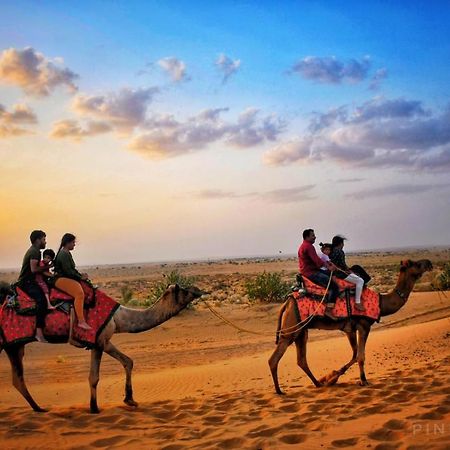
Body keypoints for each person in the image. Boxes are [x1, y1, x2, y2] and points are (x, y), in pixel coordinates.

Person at [17, 230, 52, 342]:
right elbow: (34, 269)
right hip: (27, 283)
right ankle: (39, 332)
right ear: (37, 240)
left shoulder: (35, 251)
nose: (45, 242)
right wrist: (48, 267)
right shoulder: (35, 252)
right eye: (43, 239)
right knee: (41, 300)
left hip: (30, 281)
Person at [298, 229, 339, 320]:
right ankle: (328, 309)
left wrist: (329, 265)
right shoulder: (308, 247)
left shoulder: (304, 246)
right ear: (307, 237)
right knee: (334, 286)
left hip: (309, 270)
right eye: (313, 235)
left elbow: (317, 260)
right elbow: (316, 260)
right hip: (311, 272)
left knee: (329, 275)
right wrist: (328, 267)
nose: (315, 237)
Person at [53, 233, 92, 330]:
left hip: (66, 277)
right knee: (79, 294)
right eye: (73, 242)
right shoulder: (63, 254)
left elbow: (71, 270)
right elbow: (68, 271)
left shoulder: (66, 253)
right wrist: (80, 277)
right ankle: (81, 321)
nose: (74, 244)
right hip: (60, 279)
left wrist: (81, 275)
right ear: (67, 243)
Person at [329, 235, 365, 311]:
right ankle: (357, 302)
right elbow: (343, 265)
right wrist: (350, 271)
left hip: (332, 273)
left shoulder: (331, 251)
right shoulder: (340, 251)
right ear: (340, 244)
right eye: (343, 243)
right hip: (339, 273)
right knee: (360, 281)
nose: (343, 245)